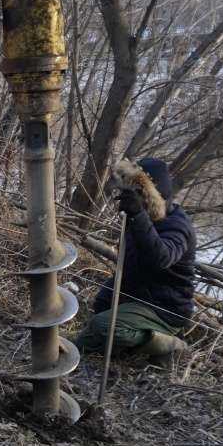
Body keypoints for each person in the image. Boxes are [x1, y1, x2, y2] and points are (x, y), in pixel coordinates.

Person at [76, 157, 197, 366]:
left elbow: (161, 258)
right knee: (101, 309)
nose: (133, 198)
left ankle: (170, 344)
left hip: (165, 308)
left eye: (138, 193)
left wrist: (137, 215)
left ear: (152, 195)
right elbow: (131, 261)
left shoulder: (177, 226)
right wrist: (109, 294)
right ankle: (115, 341)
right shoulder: (141, 217)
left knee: (103, 327)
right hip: (138, 295)